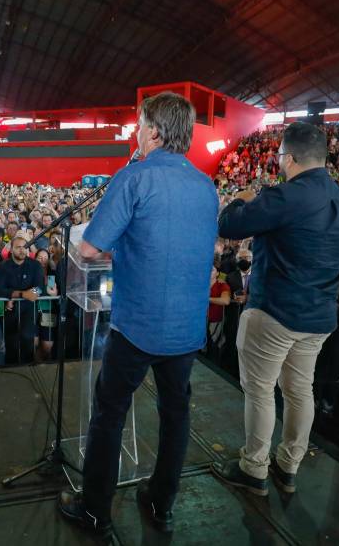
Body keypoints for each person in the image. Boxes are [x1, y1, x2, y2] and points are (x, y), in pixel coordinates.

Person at [58, 92, 218, 537]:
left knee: (109, 415)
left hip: (138, 325)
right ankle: (161, 504)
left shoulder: (134, 178)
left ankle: (95, 511)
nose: (135, 132)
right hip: (187, 328)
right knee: (175, 415)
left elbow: (89, 247)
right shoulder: (206, 185)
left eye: (138, 125)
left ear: (153, 131)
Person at [215, 121, 339, 496]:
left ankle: (254, 467)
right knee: (299, 390)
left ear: (288, 158)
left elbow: (229, 226)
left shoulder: (285, 196)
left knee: (260, 390)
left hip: (276, 311)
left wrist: (241, 198)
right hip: (319, 315)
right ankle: (288, 466)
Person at [0, 236, 44, 364]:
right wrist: (20, 294)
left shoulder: (35, 265)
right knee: (11, 345)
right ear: (11, 249)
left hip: (29, 311)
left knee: (28, 342)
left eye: (25, 247)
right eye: (18, 247)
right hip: (10, 311)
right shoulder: (4, 266)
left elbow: (39, 289)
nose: (22, 250)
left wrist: (27, 294)